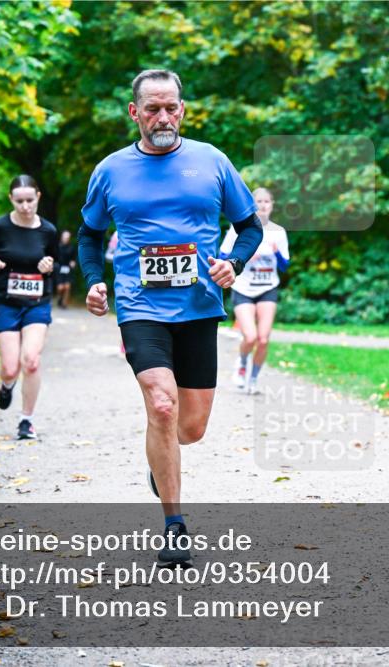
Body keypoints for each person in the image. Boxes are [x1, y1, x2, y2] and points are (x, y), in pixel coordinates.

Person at [78, 69, 262, 567]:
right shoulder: (111, 170)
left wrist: (235, 262)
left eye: (171, 107)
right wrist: (95, 280)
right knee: (162, 406)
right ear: (134, 113)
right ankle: (174, 525)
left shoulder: (212, 161)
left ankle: (162, 459)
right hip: (140, 306)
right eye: (153, 108)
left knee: (190, 427)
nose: (164, 117)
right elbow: (89, 236)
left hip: (200, 305)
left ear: (183, 109)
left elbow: (248, 228)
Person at [0, 175, 59, 440]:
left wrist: (49, 267)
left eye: (29, 200)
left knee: (31, 361)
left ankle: (26, 420)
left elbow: (54, 264)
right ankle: (7, 384)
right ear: (11, 199)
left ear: (38, 198)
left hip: (36, 304)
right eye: (19, 201)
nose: (25, 206)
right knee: (11, 367)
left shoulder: (48, 231)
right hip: (5, 304)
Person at [220, 187, 290, 394]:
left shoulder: (278, 232)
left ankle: (253, 378)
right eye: (258, 201)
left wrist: (276, 254)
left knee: (264, 338)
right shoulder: (237, 230)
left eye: (267, 201)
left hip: (267, 288)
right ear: (252, 205)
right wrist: (244, 256)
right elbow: (222, 256)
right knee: (250, 337)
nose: (263, 205)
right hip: (243, 288)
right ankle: (241, 363)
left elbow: (285, 266)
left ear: (272, 205)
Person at [54, 230, 76, 309]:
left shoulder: (72, 247)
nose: (66, 239)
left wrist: (73, 263)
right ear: (61, 237)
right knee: (60, 288)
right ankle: (59, 298)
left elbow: (73, 259)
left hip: (68, 268)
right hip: (59, 268)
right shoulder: (57, 247)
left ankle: (64, 303)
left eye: (67, 237)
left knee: (67, 287)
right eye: (64, 237)